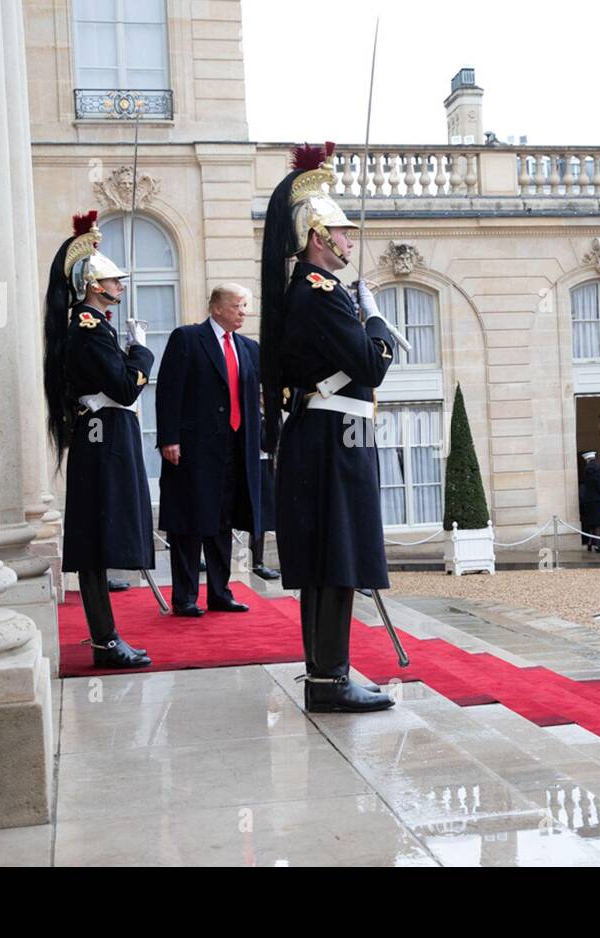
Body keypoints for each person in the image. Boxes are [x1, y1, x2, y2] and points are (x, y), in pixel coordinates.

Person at [259, 142, 395, 713]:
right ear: (318, 236)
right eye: (342, 232)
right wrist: (376, 319)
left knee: (327, 563)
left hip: (329, 436)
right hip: (336, 439)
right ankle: (331, 679)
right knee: (336, 561)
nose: (349, 241)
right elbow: (373, 364)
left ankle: (325, 676)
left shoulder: (314, 294)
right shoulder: (319, 295)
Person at [42, 210, 153, 668]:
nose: (120, 287)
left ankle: (108, 638)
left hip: (106, 432)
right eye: (113, 281)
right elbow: (126, 387)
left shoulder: (95, 326)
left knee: (101, 540)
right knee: (96, 542)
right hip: (103, 434)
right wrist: (141, 352)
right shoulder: (88, 329)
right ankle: (105, 642)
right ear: (94, 286)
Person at [155, 284, 262, 616]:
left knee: (223, 521)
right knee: (189, 522)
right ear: (216, 308)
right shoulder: (187, 339)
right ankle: (185, 597)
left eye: (245, 306)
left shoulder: (248, 348)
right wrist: (168, 439)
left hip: (234, 447)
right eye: (237, 306)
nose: (243, 312)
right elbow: (168, 392)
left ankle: (220, 592)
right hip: (192, 449)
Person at [250, 409, 281, 581]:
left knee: (265, 517)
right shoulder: (259, 414)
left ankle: (259, 561)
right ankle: (257, 562)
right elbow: (264, 442)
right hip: (260, 465)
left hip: (269, 464)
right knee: (259, 517)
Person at [579, 451, 600, 553]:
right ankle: (598, 546)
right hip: (597, 501)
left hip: (588, 501)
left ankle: (589, 544)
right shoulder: (598, 470)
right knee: (598, 524)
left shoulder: (586, 470)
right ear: (594, 458)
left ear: (587, 460)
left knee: (591, 523)